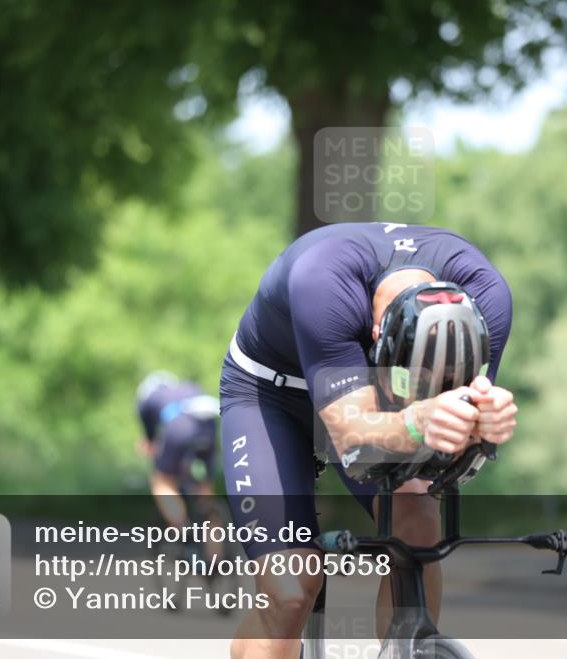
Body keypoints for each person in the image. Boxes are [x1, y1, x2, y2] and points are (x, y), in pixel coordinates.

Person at [220, 222, 516, 659]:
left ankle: (407, 646)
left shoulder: (485, 297)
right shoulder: (324, 281)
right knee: (291, 588)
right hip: (271, 393)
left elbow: (453, 448)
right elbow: (351, 433)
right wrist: (417, 422)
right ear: (378, 336)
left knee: (418, 522)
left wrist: (482, 426)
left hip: (380, 394)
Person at [135, 371, 220, 528]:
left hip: (179, 426)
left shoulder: (148, 399)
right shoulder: (189, 386)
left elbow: (150, 439)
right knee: (204, 488)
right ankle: (216, 548)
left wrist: (152, 447)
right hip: (209, 427)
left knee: (162, 481)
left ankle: (181, 526)